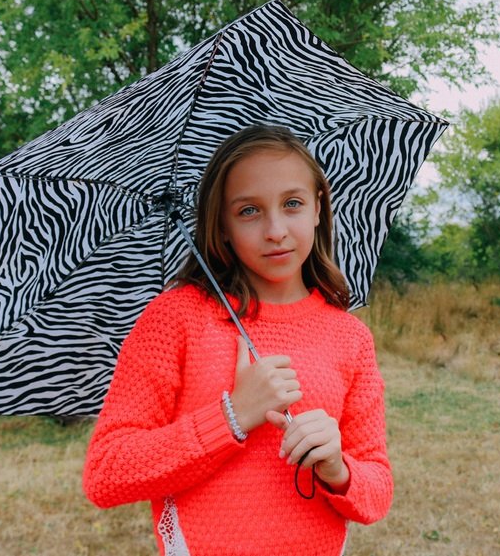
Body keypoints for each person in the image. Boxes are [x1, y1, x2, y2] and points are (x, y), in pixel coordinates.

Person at [82, 124, 392, 555]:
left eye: (293, 204)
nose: (276, 230)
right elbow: (107, 473)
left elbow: (376, 492)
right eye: (249, 211)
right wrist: (231, 416)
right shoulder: (177, 318)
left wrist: (339, 469)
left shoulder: (349, 336)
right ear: (222, 224)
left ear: (319, 207)